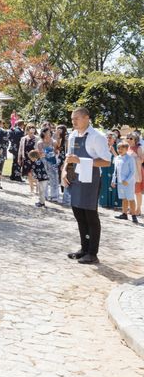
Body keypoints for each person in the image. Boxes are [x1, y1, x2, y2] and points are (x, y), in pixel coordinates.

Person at [62, 107, 112, 265]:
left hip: (91, 180)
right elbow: (69, 158)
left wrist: (81, 161)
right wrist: (64, 171)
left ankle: (92, 253)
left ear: (86, 118)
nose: (73, 122)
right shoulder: (72, 135)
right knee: (78, 215)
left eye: (76, 118)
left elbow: (106, 161)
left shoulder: (97, 137)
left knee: (90, 216)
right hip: (74, 178)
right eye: (72, 119)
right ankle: (84, 248)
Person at [113, 141, 138, 224]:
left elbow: (133, 171)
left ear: (127, 149)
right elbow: (115, 171)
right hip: (120, 182)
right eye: (118, 148)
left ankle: (133, 215)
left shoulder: (130, 159)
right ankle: (124, 214)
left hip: (128, 183)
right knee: (124, 198)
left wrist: (127, 180)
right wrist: (113, 180)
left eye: (122, 148)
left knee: (130, 198)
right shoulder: (117, 158)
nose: (119, 150)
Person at [36, 127, 59, 202]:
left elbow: (56, 151)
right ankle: (44, 195)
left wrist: (53, 152)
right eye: (45, 133)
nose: (47, 134)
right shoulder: (40, 142)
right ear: (42, 133)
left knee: (54, 179)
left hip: (52, 162)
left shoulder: (54, 141)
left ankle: (54, 196)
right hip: (43, 162)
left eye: (49, 132)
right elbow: (39, 153)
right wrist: (43, 154)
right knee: (44, 178)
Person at [99, 132, 121, 209]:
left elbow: (120, 159)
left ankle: (113, 203)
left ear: (114, 139)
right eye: (107, 137)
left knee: (113, 184)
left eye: (110, 138)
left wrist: (113, 151)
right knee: (104, 184)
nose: (108, 139)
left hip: (113, 169)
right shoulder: (103, 147)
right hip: (104, 168)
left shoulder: (118, 147)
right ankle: (104, 202)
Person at [126, 132, 144, 216]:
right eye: (128, 138)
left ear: (135, 140)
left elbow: (141, 160)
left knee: (137, 192)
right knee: (130, 191)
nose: (128, 139)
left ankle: (138, 209)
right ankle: (132, 208)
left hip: (137, 172)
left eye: (131, 138)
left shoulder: (138, 148)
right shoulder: (127, 147)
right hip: (128, 172)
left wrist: (134, 156)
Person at [18, 124, 38, 193]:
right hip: (26, 158)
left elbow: (38, 149)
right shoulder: (23, 139)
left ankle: (37, 186)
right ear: (27, 130)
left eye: (33, 130)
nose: (32, 133)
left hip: (34, 158)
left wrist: (36, 157)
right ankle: (32, 188)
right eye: (30, 130)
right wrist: (19, 158)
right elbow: (20, 149)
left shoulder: (36, 138)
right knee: (29, 174)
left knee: (34, 174)